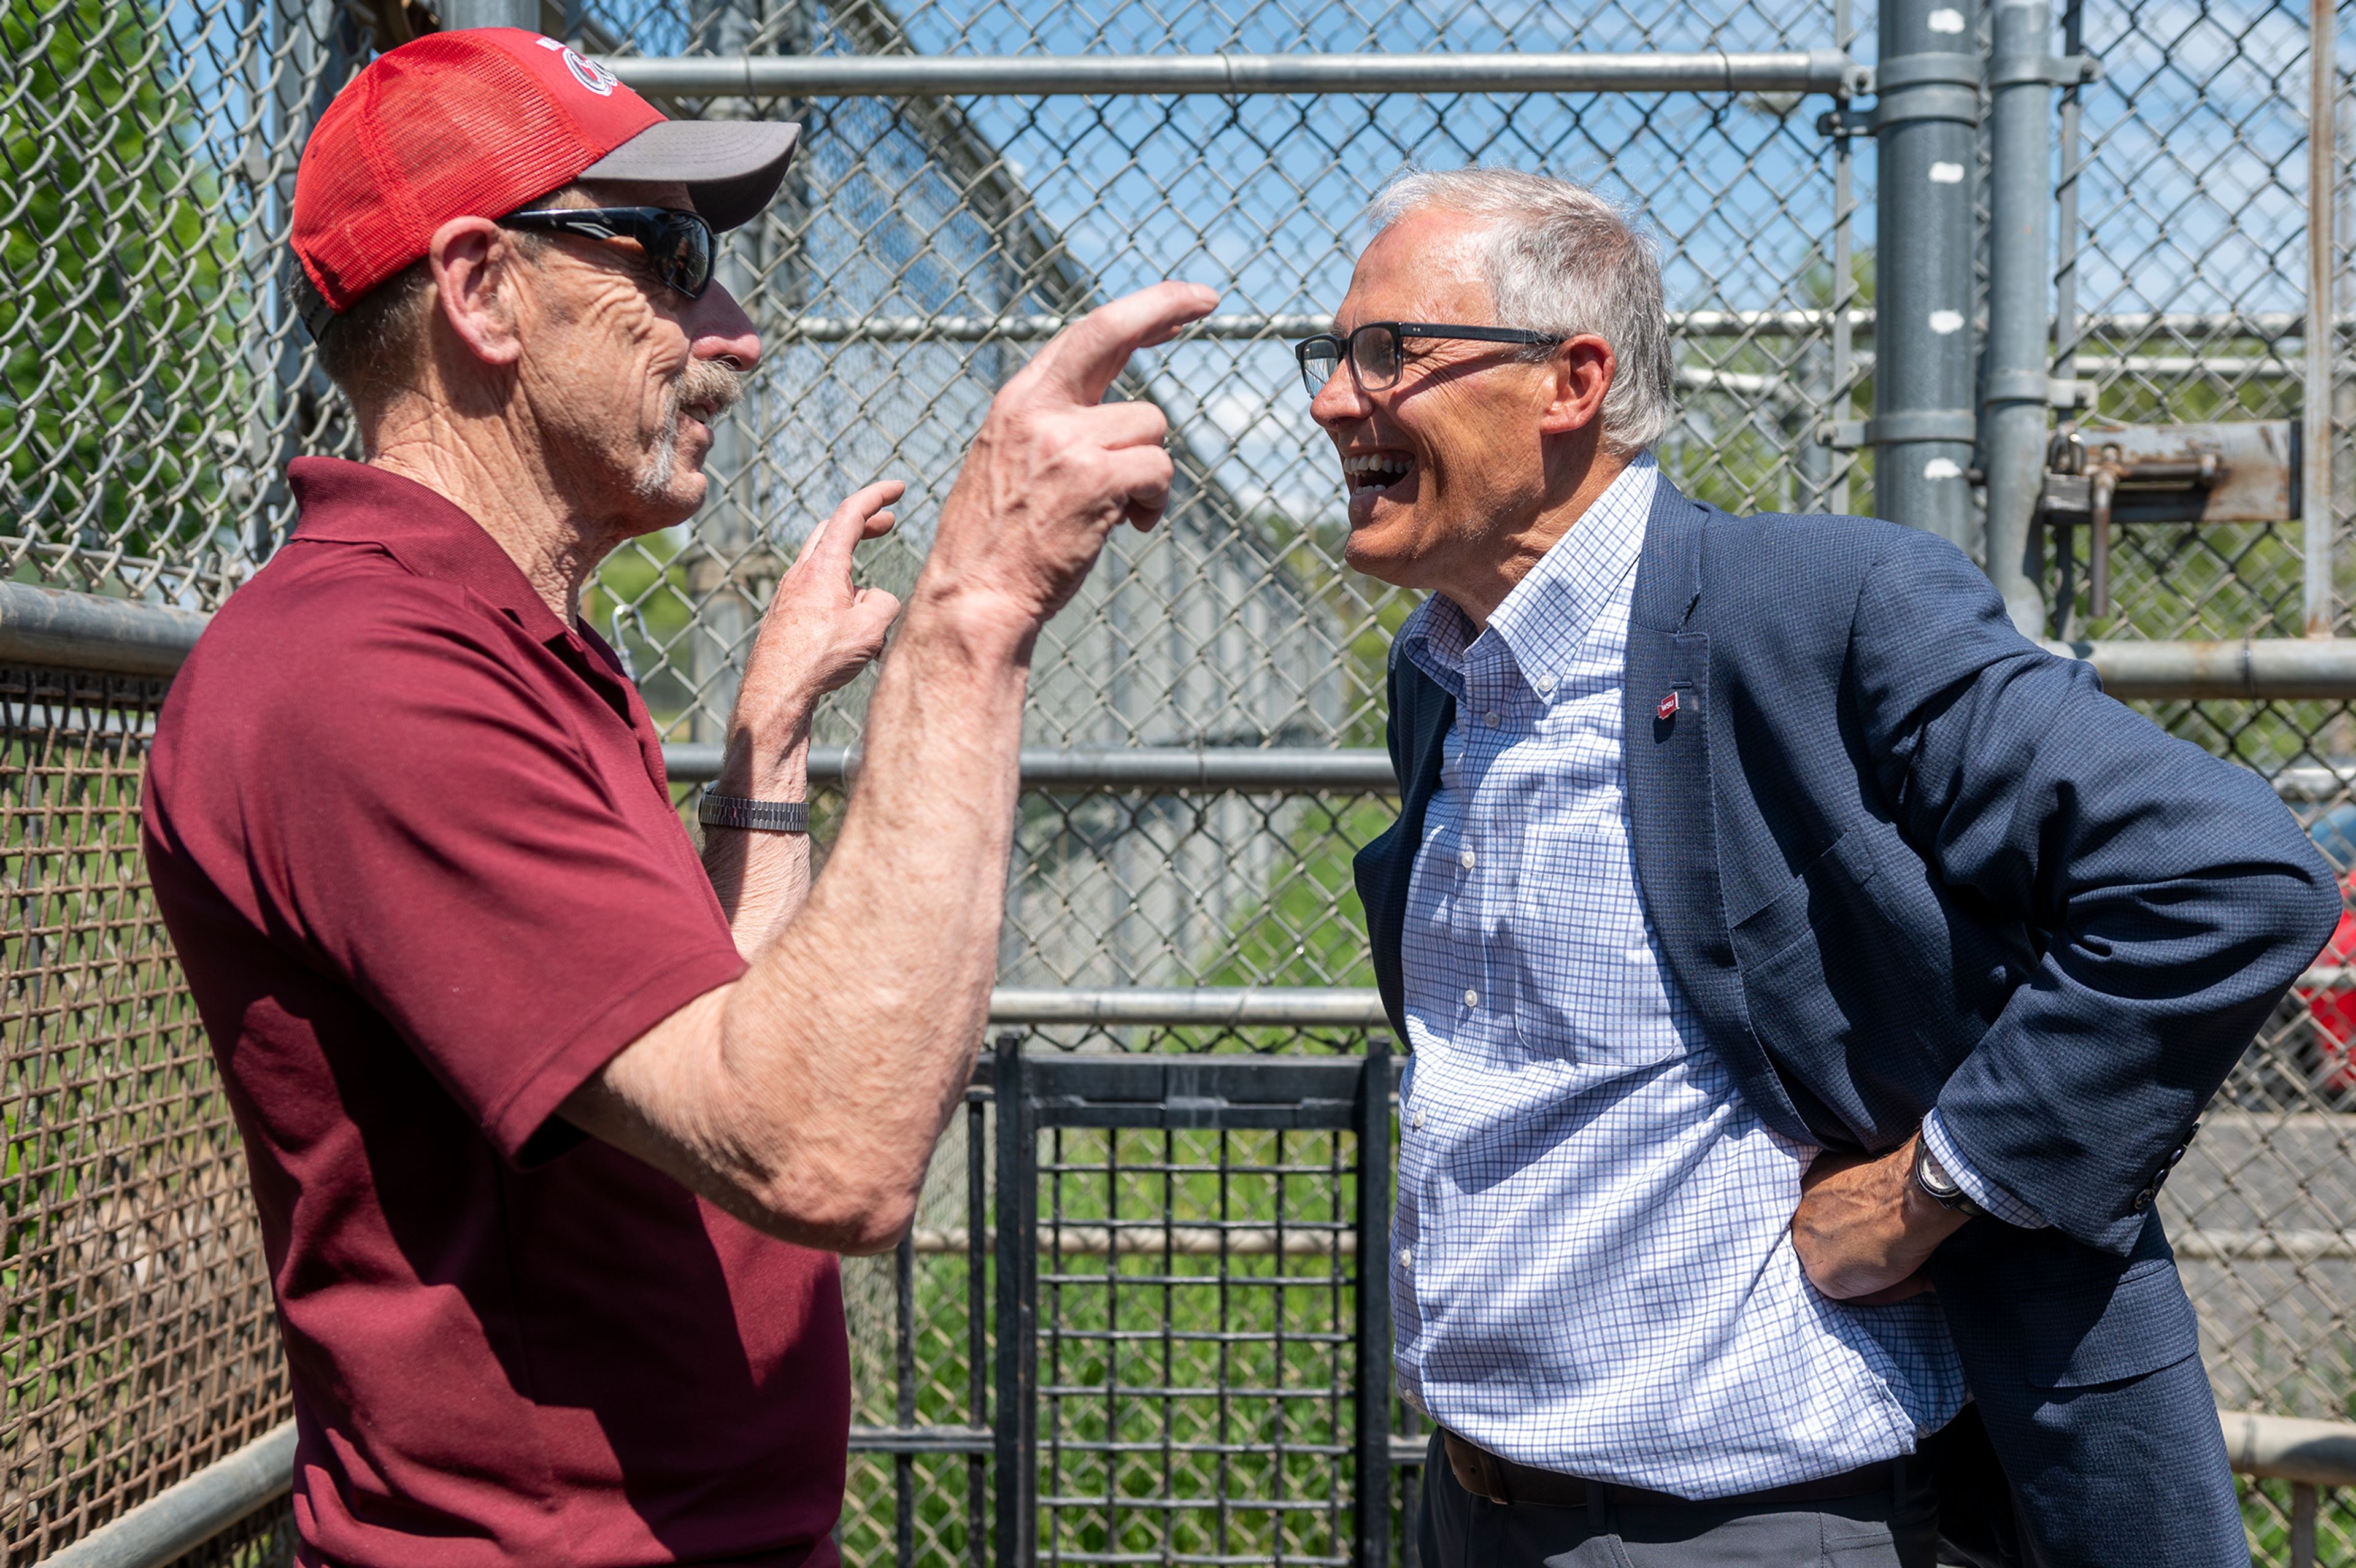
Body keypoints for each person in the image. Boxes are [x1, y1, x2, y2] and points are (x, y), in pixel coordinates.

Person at [141, 28, 1214, 1568]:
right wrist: (973, 609)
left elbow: (703, 1062)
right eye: (672, 254)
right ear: (483, 291)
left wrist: (767, 764)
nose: (734, 329)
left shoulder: (512, 647)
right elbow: (822, 1149)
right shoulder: (364, 679)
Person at [1323, 167, 2339, 1567]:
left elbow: (2226, 876)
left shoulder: (1814, 610)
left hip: (1752, 1521)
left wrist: (1940, 1183)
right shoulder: (1443, 675)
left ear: (1571, 381)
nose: (1334, 401)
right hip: (1472, 1505)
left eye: (1389, 354)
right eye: (1330, 357)